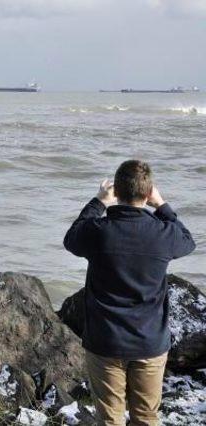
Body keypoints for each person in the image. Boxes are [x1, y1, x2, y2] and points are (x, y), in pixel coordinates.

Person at [64, 159, 195, 425]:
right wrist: (162, 205)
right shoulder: (163, 233)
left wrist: (99, 202)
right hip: (149, 342)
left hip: (106, 341)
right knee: (146, 417)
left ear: (117, 193)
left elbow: (72, 237)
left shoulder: (99, 232)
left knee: (110, 418)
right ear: (147, 194)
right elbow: (188, 241)